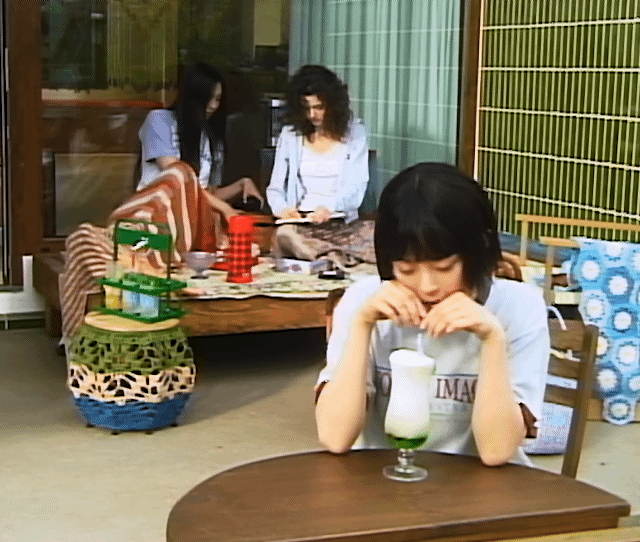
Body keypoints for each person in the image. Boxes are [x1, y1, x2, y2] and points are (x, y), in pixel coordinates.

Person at [314, 162, 551, 467]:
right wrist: (361, 326)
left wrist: (492, 338)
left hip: (483, 488)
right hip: (384, 484)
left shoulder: (519, 306)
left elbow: (496, 452)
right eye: (406, 270)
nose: (427, 287)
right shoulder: (363, 302)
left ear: (477, 251)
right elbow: (335, 437)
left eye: (444, 268)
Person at [266, 65, 371, 262]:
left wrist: (329, 207)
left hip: (340, 224)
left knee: (373, 236)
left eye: (319, 107)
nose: (312, 115)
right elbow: (275, 189)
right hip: (301, 225)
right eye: (306, 108)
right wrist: (283, 209)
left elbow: (356, 187)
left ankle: (325, 253)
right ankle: (329, 255)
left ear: (333, 105)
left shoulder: (355, 134)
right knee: (285, 235)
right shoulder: (290, 136)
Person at [137, 62, 264, 224]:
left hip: (190, 223)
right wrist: (225, 208)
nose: (213, 105)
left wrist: (241, 185)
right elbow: (179, 179)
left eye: (217, 99)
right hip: (152, 219)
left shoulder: (209, 136)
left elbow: (206, 195)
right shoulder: (159, 120)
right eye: (207, 98)